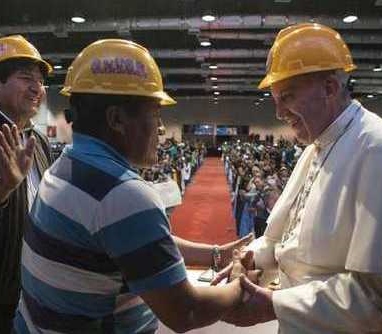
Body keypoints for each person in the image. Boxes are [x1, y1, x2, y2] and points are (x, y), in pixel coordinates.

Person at [13, 39, 253, 333]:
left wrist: (216, 254)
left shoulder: (66, 164)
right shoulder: (125, 194)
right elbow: (185, 312)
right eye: (155, 114)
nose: (162, 128)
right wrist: (241, 283)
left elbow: (131, 242)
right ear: (116, 119)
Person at [213, 23, 382, 333]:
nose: (279, 113)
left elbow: (374, 297)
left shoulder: (375, 146)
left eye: (287, 97)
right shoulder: (314, 146)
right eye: (276, 99)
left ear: (330, 88)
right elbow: (284, 241)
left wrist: (275, 305)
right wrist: (249, 259)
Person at [0, 35, 52, 333]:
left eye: (40, 81)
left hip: (32, 290)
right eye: (25, 78)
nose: (37, 88)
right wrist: (3, 190)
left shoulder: (38, 140)